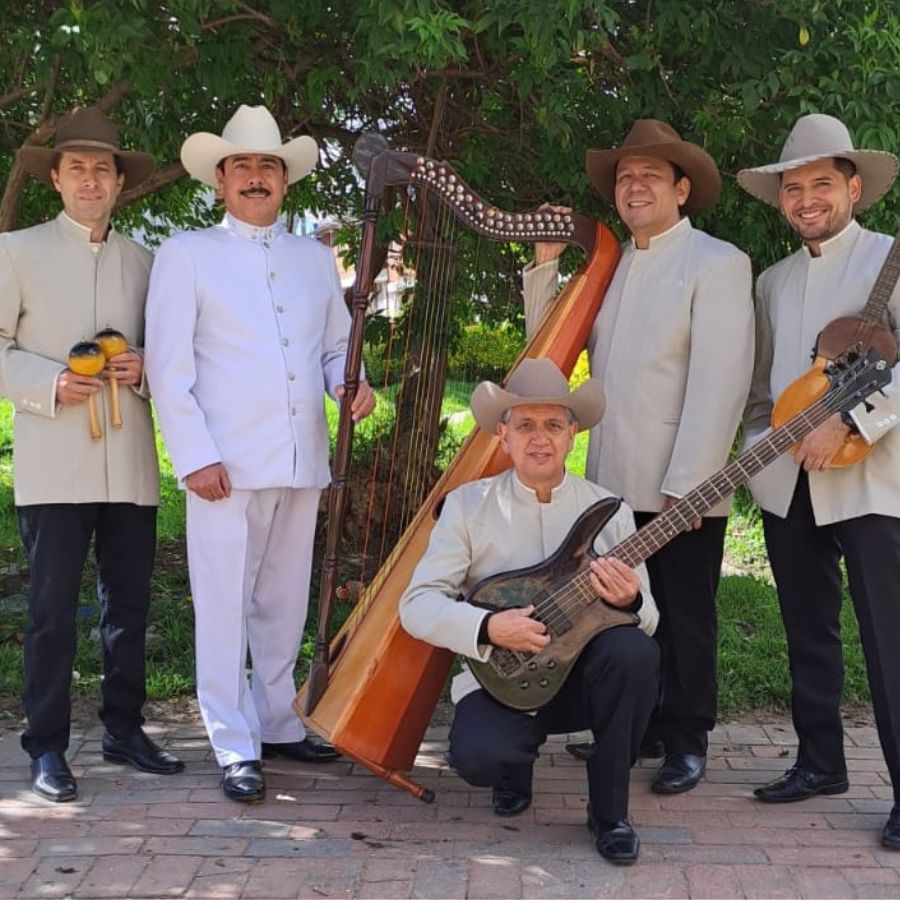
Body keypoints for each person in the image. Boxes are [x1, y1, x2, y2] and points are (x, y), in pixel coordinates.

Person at [144, 105, 375, 803]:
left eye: (268, 166)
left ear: (285, 181)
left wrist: (349, 385)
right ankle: (232, 739)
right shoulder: (186, 253)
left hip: (301, 459)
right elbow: (169, 368)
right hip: (224, 467)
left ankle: (276, 720)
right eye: (242, 165)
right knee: (223, 605)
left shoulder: (311, 256)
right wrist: (193, 456)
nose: (255, 177)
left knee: (281, 601)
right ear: (220, 179)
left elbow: (337, 348)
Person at [523, 119, 754, 793]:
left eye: (650, 176)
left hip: (682, 480)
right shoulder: (611, 265)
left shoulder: (718, 262)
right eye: (624, 178)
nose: (634, 187)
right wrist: (542, 263)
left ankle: (686, 737)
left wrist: (692, 485)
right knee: (622, 611)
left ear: (682, 189)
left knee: (685, 614)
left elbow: (721, 382)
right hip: (610, 481)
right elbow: (548, 348)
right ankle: (640, 724)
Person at [400, 358, 660, 864]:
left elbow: (648, 618)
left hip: (582, 679)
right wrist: (489, 626)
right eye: (525, 426)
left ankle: (610, 813)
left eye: (553, 425)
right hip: (502, 676)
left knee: (635, 654)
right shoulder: (467, 505)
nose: (539, 438)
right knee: (479, 758)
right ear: (504, 436)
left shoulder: (610, 509)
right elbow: (417, 605)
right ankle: (511, 768)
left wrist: (630, 600)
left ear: (572, 436)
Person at [0, 107, 184, 802]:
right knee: (50, 611)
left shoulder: (146, 262)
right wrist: (51, 381)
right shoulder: (15, 251)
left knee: (128, 606)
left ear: (118, 183)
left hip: (129, 460)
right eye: (75, 167)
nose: (89, 179)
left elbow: (172, 357)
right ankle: (45, 746)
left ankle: (123, 728)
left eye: (101, 168)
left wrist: (148, 370)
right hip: (54, 462)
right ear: (54, 178)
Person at [737, 113, 900, 849]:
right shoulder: (771, 282)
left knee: (888, 637)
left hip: (872, 481)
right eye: (793, 187)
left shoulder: (892, 260)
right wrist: (757, 447)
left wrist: (854, 424)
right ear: (780, 200)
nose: (807, 198)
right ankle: (820, 762)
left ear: (854, 188)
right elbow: (763, 392)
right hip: (789, 483)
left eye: (822, 184)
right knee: (808, 631)